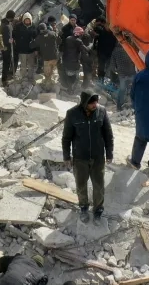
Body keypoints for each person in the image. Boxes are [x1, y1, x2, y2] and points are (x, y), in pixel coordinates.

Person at [63, 90, 114, 221]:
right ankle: (84, 207)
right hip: (80, 158)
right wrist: (66, 156)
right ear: (85, 103)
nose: (95, 105)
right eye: (92, 103)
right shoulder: (72, 114)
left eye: (96, 102)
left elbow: (108, 134)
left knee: (99, 185)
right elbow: (66, 138)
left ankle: (98, 210)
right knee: (81, 185)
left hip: (97, 157)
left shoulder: (102, 112)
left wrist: (109, 153)